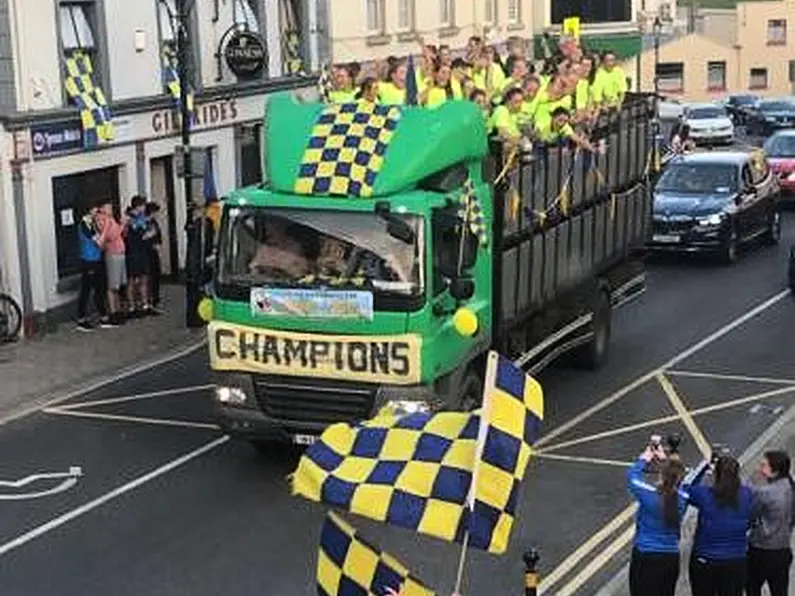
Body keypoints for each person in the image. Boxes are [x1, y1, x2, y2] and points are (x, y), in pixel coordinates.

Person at [687, 455, 754, 596]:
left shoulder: (704, 494)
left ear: (716, 473)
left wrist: (705, 467)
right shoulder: (747, 494)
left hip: (704, 559)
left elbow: (686, 487)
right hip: (736, 560)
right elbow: (749, 521)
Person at [627, 443, 688, 596]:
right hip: (670, 557)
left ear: (661, 475)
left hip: (645, 555)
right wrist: (666, 461)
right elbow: (680, 477)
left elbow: (632, 476)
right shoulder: (683, 498)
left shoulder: (649, 496)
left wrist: (645, 457)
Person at [746, 450, 795, 596]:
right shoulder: (790, 487)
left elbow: (750, 516)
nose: (760, 469)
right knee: (780, 590)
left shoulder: (765, 493)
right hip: (783, 548)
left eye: (764, 466)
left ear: (775, 471)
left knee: (752, 587)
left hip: (761, 549)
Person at [75, 204, 113, 331]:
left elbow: (101, 245)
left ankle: (104, 317)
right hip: (88, 261)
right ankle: (81, 320)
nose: (98, 212)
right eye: (95, 209)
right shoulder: (85, 224)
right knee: (86, 290)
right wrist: (107, 226)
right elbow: (99, 241)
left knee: (100, 288)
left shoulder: (92, 223)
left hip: (97, 259)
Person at [96, 203, 127, 325]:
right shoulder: (102, 220)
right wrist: (121, 226)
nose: (111, 210)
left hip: (120, 253)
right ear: (103, 209)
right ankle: (113, 312)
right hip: (112, 254)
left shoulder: (111, 219)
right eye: (109, 208)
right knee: (112, 285)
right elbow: (110, 236)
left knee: (118, 285)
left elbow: (120, 234)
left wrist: (122, 227)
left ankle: (118, 311)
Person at [124, 196, 152, 317]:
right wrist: (148, 234)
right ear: (139, 206)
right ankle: (132, 307)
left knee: (144, 278)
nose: (145, 208)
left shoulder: (142, 218)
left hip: (142, 252)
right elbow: (135, 235)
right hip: (133, 253)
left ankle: (145, 305)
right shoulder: (129, 219)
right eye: (143, 205)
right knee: (131, 281)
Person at [144, 202, 163, 312]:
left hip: (154, 252)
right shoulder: (145, 222)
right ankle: (151, 299)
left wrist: (159, 244)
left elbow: (158, 235)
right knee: (150, 276)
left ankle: (155, 298)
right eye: (156, 212)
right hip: (148, 252)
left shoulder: (153, 222)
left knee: (156, 274)